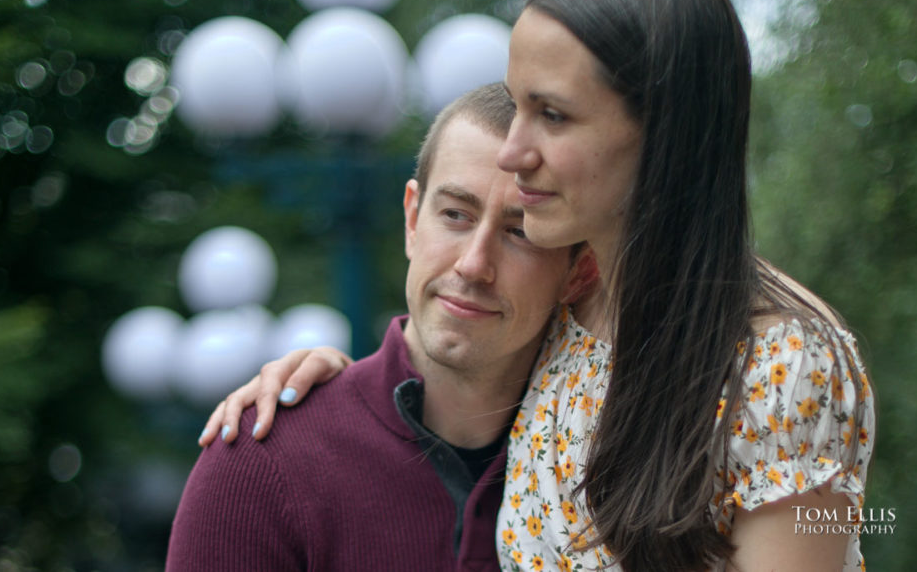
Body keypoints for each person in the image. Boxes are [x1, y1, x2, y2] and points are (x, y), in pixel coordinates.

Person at [203, 0, 876, 572]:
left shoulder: (783, 364)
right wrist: (331, 386)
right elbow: (443, 376)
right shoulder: (563, 317)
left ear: (665, 133)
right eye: (517, 103)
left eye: (552, 114)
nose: (512, 150)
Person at [165, 83, 596, 571]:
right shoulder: (262, 464)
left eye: (520, 233)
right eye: (455, 214)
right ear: (412, 219)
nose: (474, 265)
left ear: (579, 273)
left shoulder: (606, 472)